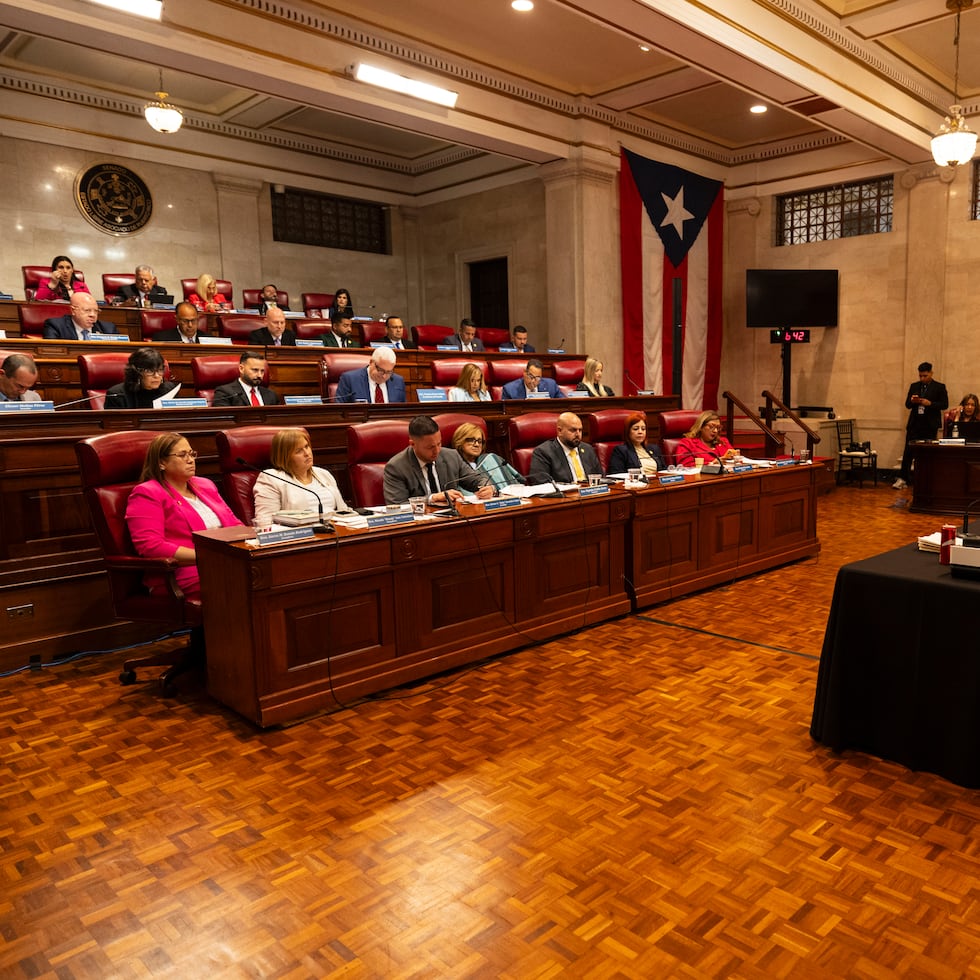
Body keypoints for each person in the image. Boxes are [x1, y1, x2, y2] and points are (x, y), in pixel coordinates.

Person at [125, 431, 241, 601]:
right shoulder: (147, 493)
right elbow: (151, 546)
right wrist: (207, 557)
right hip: (182, 573)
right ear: (161, 463)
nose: (190, 459)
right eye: (182, 455)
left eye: (191, 453)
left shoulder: (205, 485)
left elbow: (235, 525)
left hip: (225, 563)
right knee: (246, 583)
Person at [383, 414, 494, 505]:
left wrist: (488, 488)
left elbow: (476, 480)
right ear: (413, 444)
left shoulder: (451, 456)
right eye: (430, 447)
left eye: (439, 443)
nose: (437, 451)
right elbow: (397, 505)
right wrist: (432, 498)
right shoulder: (396, 467)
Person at [252, 428, 349, 525]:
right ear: (285, 456)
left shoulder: (323, 474)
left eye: (306, 446)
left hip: (334, 531)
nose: (307, 453)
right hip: (300, 535)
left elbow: (343, 510)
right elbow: (265, 522)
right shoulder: (271, 478)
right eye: (299, 451)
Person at [896, 361, 948, 489]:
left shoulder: (939, 387)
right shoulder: (914, 386)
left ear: (931, 373)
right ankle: (903, 479)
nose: (922, 378)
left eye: (925, 375)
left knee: (927, 453)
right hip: (915, 424)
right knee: (908, 452)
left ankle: (926, 480)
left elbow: (944, 404)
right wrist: (913, 401)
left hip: (930, 425)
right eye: (920, 376)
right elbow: (907, 405)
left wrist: (929, 403)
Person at [528, 411, 602, 484]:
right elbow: (540, 483)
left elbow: (600, 478)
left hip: (591, 494)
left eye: (580, 430)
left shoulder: (588, 449)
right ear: (559, 431)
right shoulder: (543, 452)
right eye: (573, 430)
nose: (578, 434)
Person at [452, 422, 523, 491]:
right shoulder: (454, 466)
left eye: (480, 441)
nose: (477, 444)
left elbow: (518, 481)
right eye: (471, 440)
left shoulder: (492, 459)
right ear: (459, 441)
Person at [104, 347, 179, 409]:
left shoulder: (169, 390)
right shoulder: (117, 395)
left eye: (160, 370)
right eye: (150, 371)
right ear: (136, 372)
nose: (156, 375)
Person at [335, 347, 406, 403]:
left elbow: (403, 412)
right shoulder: (350, 380)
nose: (384, 376)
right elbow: (339, 410)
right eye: (381, 371)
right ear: (371, 362)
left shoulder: (398, 381)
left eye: (389, 372)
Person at [212, 351, 281, 406]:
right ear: (241, 369)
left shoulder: (271, 395)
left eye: (262, 371)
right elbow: (223, 420)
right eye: (255, 370)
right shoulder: (225, 393)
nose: (259, 375)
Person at [609, 412, 666, 476]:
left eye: (643, 429)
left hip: (656, 483)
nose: (640, 432)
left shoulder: (654, 449)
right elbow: (616, 475)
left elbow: (663, 471)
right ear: (628, 431)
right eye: (636, 429)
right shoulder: (621, 451)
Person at [674, 410, 738, 467]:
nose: (715, 431)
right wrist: (712, 463)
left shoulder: (723, 441)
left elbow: (734, 460)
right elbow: (685, 465)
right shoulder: (687, 443)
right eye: (711, 426)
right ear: (701, 426)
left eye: (718, 428)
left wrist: (736, 457)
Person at [42, 293, 112, 340]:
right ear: (73, 311)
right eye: (87, 310)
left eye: (96, 311)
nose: (92, 315)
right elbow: (52, 352)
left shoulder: (108, 329)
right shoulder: (55, 326)